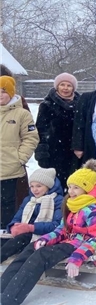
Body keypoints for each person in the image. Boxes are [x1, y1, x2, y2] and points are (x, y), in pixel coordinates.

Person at [0, 159, 96, 305]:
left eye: (76, 188)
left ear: (88, 189)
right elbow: (61, 229)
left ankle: (9, 299)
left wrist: (77, 257)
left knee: (40, 256)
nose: (70, 191)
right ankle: (2, 288)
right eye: (70, 187)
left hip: (78, 245)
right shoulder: (71, 206)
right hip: (66, 241)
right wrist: (45, 239)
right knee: (31, 248)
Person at [0, 76, 39, 228]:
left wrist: (19, 158)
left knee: (8, 203)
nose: (0, 95)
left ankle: (5, 233)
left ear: (10, 92)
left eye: (3, 91)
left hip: (11, 168)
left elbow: (31, 138)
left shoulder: (22, 114)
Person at [1, 168, 63, 263]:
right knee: (7, 240)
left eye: (39, 186)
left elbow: (57, 225)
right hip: (24, 234)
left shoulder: (58, 200)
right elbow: (16, 218)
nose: (35, 190)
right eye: (32, 186)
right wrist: (13, 226)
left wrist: (31, 228)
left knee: (21, 239)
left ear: (48, 186)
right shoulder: (29, 200)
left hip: (45, 236)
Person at [35, 72, 81, 190]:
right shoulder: (47, 105)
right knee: (55, 186)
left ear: (73, 88)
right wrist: (42, 153)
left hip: (74, 152)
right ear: (57, 86)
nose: (65, 88)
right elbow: (41, 130)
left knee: (73, 185)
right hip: (54, 152)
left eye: (69, 85)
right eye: (62, 85)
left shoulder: (80, 105)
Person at [0, 65, 30, 209]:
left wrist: (20, 158)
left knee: (11, 201)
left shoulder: (19, 107)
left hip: (12, 165)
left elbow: (29, 136)